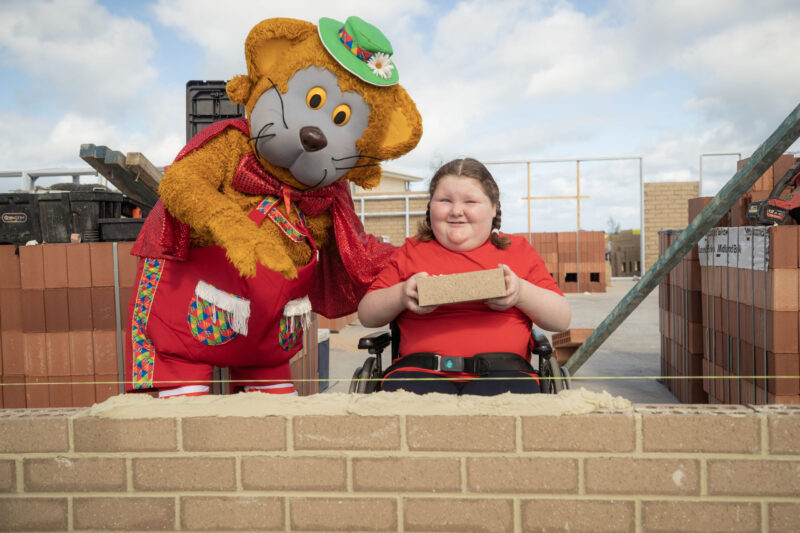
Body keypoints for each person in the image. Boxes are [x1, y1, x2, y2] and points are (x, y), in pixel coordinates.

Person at [357, 158, 571, 395]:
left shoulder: (518, 251)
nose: (456, 211)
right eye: (445, 200)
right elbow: (367, 314)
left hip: (504, 372)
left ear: (493, 209)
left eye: (470, 201)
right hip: (420, 372)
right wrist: (401, 295)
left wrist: (521, 292)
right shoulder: (411, 251)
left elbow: (561, 320)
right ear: (430, 208)